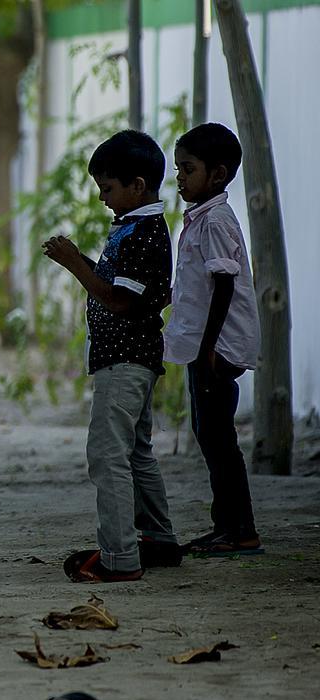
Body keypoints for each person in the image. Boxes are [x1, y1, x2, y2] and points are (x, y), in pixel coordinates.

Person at [42, 129, 182, 582]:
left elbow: (121, 300)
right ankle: (157, 540)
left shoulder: (143, 233)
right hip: (127, 358)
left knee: (107, 454)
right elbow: (119, 285)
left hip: (126, 360)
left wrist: (73, 263)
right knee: (136, 451)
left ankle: (120, 557)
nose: (103, 198)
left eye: (108, 188)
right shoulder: (133, 228)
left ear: (137, 186)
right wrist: (81, 258)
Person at [167, 123, 263, 557]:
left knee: (218, 437)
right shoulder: (203, 218)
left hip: (218, 347)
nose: (180, 179)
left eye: (187, 170)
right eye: (178, 170)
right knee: (210, 433)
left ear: (218, 174)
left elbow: (223, 286)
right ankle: (227, 526)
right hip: (205, 345)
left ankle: (239, 529)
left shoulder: (217, 221)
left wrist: (208, 350)